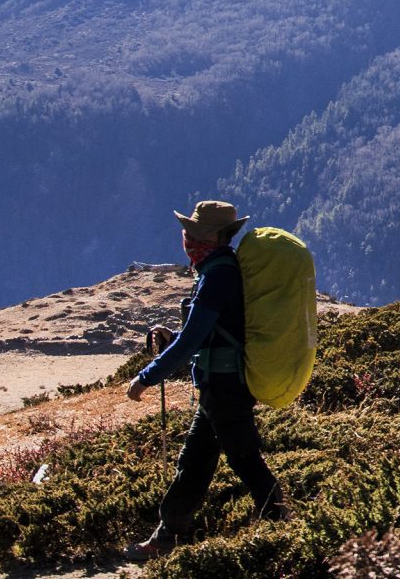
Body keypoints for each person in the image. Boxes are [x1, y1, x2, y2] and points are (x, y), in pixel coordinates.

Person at [124, 200, 284, 559]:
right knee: (195, 462)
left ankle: (282, 530)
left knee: (244, 459)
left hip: (224, 386)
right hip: (219, 385)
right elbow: (207, 332)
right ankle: (168, 537)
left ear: (212, 236)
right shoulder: (216, 270)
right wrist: (174, 336)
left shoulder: (217, 276)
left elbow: (192, 340)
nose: (186, 239)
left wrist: (147, 377)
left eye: (193, 233)